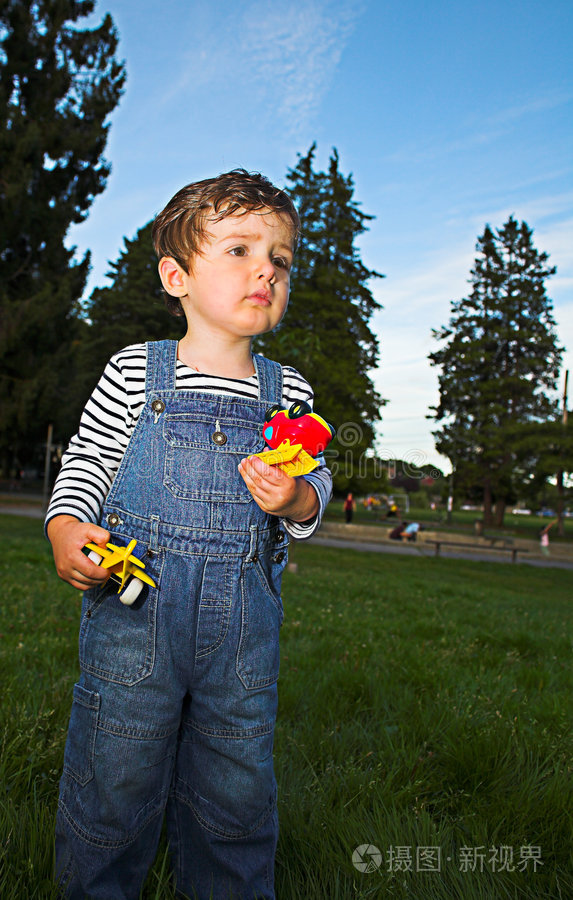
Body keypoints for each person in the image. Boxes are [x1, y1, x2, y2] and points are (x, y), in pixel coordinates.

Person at [46, 170, 333, 900]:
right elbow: (87, 461)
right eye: (239, 249)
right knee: (115, 776)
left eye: (281, 257)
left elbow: (316, 483)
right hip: (134, 617)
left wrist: (297, 495)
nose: (265, 268)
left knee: (235, 791)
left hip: (242, 634)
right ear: (177, 274)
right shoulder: (135, 372)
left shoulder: (288, 390)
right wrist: (68, 525)